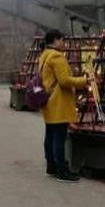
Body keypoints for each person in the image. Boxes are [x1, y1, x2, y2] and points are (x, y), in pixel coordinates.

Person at [38, 29, 91, 183]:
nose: (64, 43)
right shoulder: (57, 56)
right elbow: (64, 80)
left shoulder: (44, 55)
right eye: (62, 40)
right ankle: (61, 170)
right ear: (55, 40)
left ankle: (52, 166)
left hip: (49, 100)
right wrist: (84, 80)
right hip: (58, 102)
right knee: (59, 138)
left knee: (50, 135)